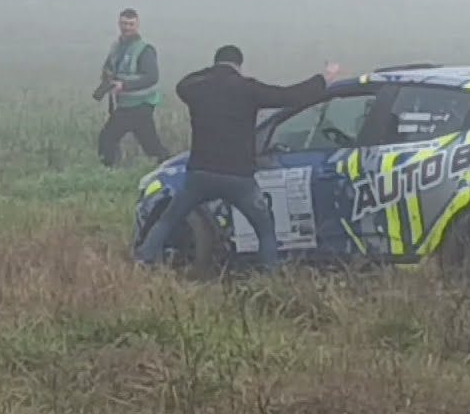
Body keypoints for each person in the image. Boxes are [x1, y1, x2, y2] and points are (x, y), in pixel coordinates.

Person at [135, 45, 341, 270]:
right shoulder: (247, 89)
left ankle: (143, 261)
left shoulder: (197, 88)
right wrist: (323, 78)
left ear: (216, 63)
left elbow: (182, 84)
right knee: (264, 229)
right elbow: (288, 95)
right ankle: (269, 274)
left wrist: (213, 73)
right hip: (238, 177)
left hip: (200, 174)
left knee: (168, 219)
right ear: (239, 65)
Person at [95, 8, 169, 167]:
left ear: (137, 25)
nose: (126, 27)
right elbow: (110, 67)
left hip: (140, 104)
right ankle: (166, 165)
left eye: (130, 24)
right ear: (118, 23)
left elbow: (151, 77)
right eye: (124, 23)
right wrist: (107, 79)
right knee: (150, 144)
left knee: (107, 138)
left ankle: (106, 172)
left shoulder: (145, 49)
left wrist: (124, 85)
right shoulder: (116, 47)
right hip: (125, 104)